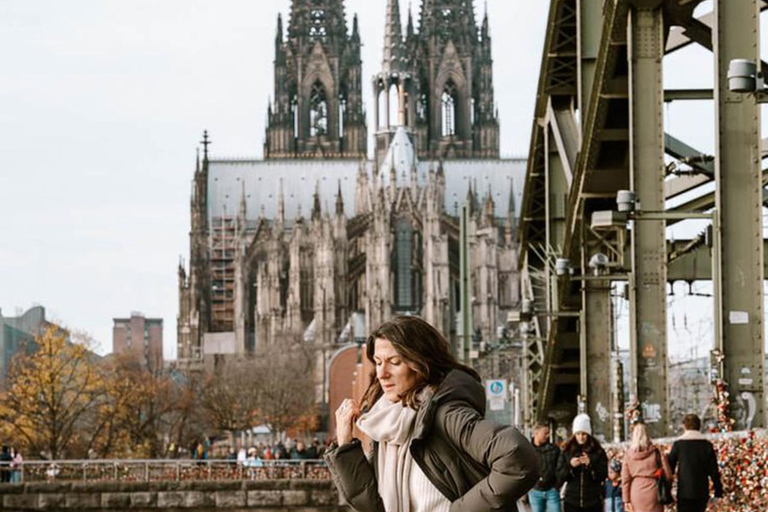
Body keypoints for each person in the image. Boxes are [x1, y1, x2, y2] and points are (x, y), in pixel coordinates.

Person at [325, 315, 539, 512]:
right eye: (378, 362)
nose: (382, 374)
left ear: (420, 363)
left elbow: (518, 457)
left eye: (394, 362)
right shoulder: (388, 425)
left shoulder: (446, 413)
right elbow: (371, 504)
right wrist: (345, 444)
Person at [668, 414, 723, 512]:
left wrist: (667, 489)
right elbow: (714, 471)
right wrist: (718, 491)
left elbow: (669, 468)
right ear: (699, 426)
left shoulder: (678, 445)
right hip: (701, 491)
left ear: (685, 426)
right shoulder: (707, 445)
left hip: (684, 491)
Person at [560, 413, 608, 512]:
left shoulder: (598, 451)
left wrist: (591, 464)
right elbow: (560, 476)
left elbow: (603, 474)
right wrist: (571, 466)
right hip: (572, 501)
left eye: (584, 434)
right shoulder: (567, 451)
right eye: (578, 434)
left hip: (593, 501)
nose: (581, 437)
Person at [621, 421, 672, 512]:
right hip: (654, 490)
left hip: (636, 491)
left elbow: (625, 480)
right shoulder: (656, 452)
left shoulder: (628, 455)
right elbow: (668, 475)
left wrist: (626, 500)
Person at [528, 422, 565, 512]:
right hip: (535, 491)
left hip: (551, 490)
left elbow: (561, 467)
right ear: (536, 433)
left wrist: (557, 485)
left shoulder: (554, 450)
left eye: (548, 433)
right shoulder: (527, 450)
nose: (547, 436)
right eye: (545, 433)